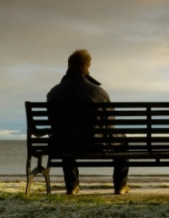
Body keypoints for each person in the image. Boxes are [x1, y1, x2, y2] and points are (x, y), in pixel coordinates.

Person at [47, 49, 129, 195]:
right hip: (94, 143)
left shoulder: (54, 92)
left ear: (69, 65)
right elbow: (110, 123)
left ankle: (72, 186)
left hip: (63, 143)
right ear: (87, 66)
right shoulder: (98, 92)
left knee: (66, 138)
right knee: (123, 140)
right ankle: (120, 186)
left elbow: (53, 123)